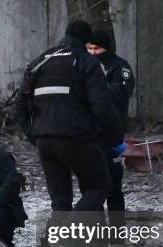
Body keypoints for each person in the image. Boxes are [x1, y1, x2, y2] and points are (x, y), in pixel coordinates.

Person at [14, 20, 122, 213]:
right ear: (86, 41)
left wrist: (34, 134)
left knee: (60, 200)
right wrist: (112, 137)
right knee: (98, 186)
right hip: (76, 137)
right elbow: (101, 104)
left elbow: (20, 103)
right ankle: (71, 234)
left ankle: (55, 242)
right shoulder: (85, 61)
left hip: (44, 140)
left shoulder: (40, 61)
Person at [86, 31, 135, 227]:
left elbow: (120, 93)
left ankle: (117, 234)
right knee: (93, 188)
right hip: (90, 136)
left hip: (111, 135)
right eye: (89, 48)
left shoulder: (120, 67)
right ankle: (97, 235)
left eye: (96, 49)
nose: (92, 52)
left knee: (114, 187)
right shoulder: (85, 66)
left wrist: (96, 91)